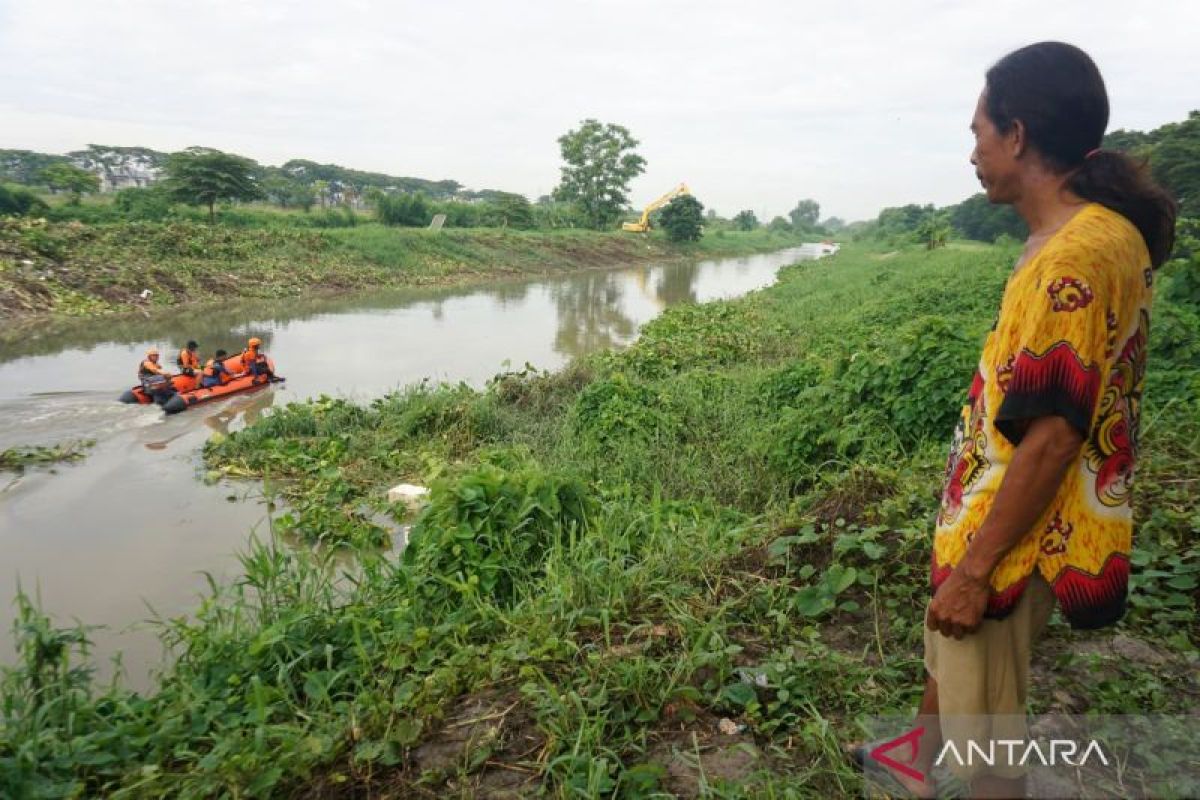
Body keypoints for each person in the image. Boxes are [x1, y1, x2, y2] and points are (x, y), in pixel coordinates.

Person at [849, 42, 1176, 799]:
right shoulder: (1087, 236)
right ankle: (911, 762)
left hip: (1014, 534)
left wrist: (975, 570)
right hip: (994, 513)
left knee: (988, 737)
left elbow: (1056, 436)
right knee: (956, 666)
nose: (973, 152)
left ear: (1018, 135)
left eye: (978, 133)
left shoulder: (1074, 258)